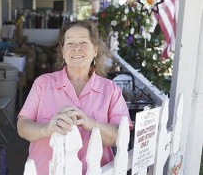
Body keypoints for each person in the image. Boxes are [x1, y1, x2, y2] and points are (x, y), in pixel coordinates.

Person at [17, 19, 132, 175]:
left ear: (95, 51)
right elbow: (23, 127)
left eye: (84, 42)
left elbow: (120, 136)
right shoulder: (43, 83)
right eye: (70, 43)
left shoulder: (111, 90)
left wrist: (89, 122)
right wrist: (47, 128)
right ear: (63, 52)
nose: (76, 48)